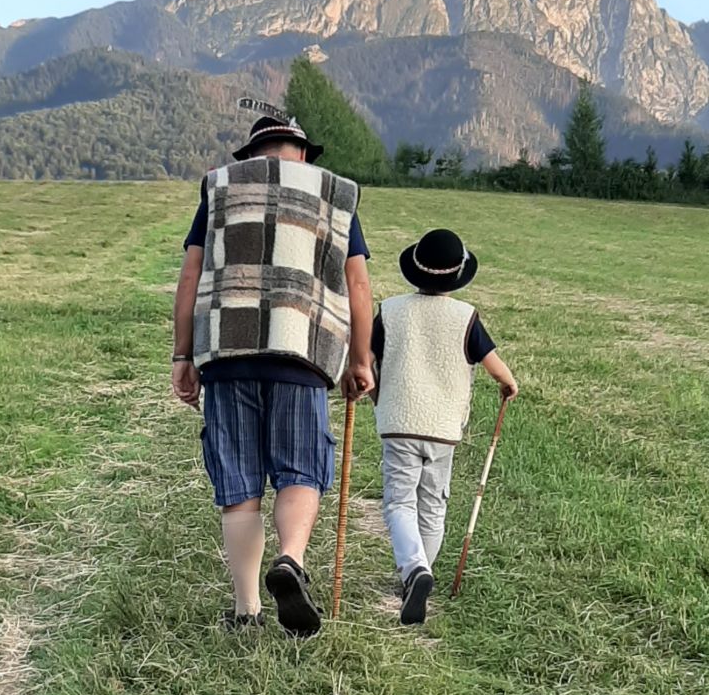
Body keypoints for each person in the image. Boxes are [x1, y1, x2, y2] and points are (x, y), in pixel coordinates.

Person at [172, 97, 374, 637]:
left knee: (239, 483)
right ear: (303, 153)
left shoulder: (220, 188)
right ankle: (291, 560)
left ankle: (246, 611)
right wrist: (360, 359)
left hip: (227, 352)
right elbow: (357, 285)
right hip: (302, 352)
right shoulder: (331, 193)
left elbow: (190, 276)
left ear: (253, 154)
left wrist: (182, 355)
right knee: (301, 468)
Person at [371, 226, 518, 624]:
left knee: (399, 501)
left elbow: (368, 363)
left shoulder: (390, 310)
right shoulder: (465, 317)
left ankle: (414, 569)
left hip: (399, 421)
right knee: (433, 505)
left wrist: (375, 396)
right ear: (458, 275)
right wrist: (508, 384)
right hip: (443, 427)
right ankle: (421, 573)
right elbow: (493, 364)